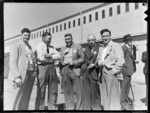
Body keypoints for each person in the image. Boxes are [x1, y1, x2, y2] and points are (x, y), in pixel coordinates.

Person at [96, 29, 124, 110]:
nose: (105, 38)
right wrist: (98, 63)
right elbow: (98, 59)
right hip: (102, 72)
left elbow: (121, 61)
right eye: (103, 36)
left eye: (107, 36)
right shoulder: (101, 48)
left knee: (113, 96)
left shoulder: (116, 45)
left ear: (110, 36)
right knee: (105, 95)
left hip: (111, 72)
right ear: (101, 37)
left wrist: (113, 71)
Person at [9, 28, 37, 110]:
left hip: (30, 74)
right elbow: (12, 63)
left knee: (26, 96)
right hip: (20, 76)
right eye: (25, 35)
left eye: (28, 35)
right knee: (16, 97)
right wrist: (17, 77)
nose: (27, 37)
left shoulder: (29, 47)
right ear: (21, 35)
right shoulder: (16, 46)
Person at [34, 32, 60, 110]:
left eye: (51, 38)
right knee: (41, 89)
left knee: (53, 88)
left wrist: (50, 56)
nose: (50, 40)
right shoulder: (39, 46)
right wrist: (52, 57)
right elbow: (41, 58)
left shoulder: (52, 47)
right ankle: (39, 108)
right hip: (42, 67)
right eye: (49, 38)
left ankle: (52, 107)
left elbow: (58, 55)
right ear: (43, 38)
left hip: (52, 67)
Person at [60, 33, 84, 110]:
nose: (67, 41)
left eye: (69, 39)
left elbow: (82, 59)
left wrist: (74, 62)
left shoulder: (78, 47)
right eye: (66, 39)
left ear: (72, 39)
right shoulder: (62, 48)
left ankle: (79, 108)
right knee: (67, 91)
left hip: (74, 69)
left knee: (77, 91)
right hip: (65, 69)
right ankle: (70, 107)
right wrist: (61, 63)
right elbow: (60, 59)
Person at [81, 34, 101, 110]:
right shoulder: (86, 49)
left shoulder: (99, 48)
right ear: (87, 41)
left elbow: (100, 60)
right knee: (86, 92)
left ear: (95, 40)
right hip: (86, 72)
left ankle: (97, 108)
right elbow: (84, 59)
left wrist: (94, 64)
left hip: (94, 72)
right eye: (89, 40)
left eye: (92, 40)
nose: (91, 42)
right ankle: (87, 108)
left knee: (95, 92)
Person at [120, 34, 136, 110]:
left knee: (127, 87)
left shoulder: (130, 48)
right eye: (129, 40)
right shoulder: (123, 48)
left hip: (130, 71)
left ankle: (126, 100)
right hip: (125, 71)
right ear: (126, 41)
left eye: (131, 40)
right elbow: (120, 59)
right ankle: (123, 102)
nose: (131, 41)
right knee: (124, 87)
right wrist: (124, 67)